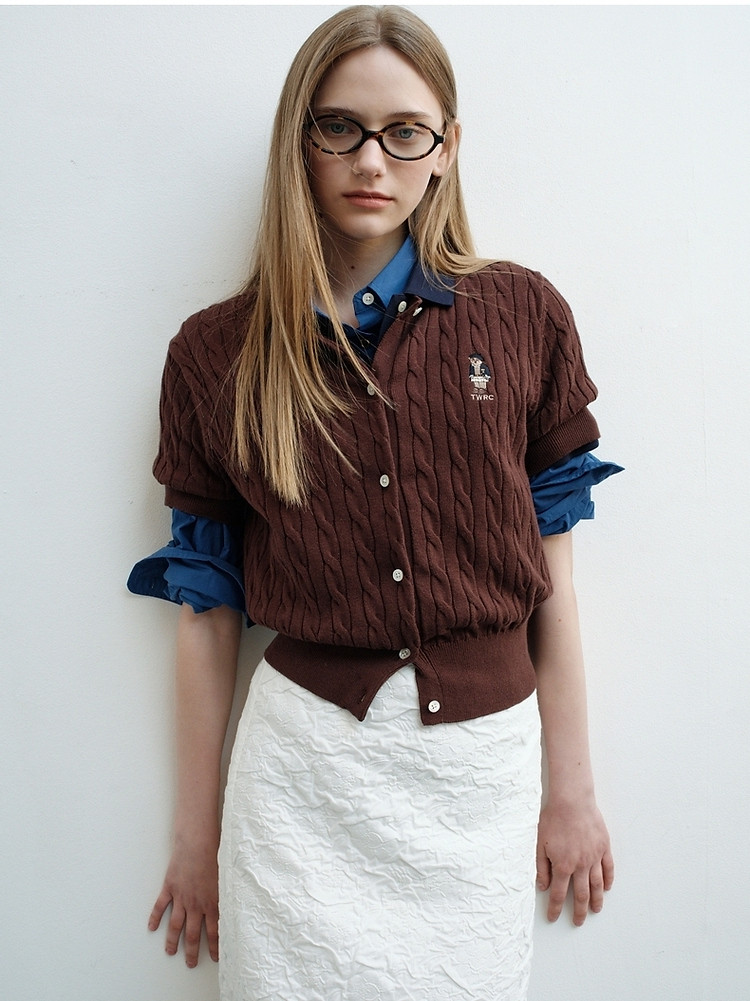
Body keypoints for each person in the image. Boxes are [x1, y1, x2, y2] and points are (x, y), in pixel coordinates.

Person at [128, 6, 620, 1000]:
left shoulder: (521, 316)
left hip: (478, 777)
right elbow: (206, 615)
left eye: (405, 132)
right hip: (301, 783)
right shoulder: (217, 353)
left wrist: (572, 791)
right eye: (340, 126)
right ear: (299, 138)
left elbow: (554, 579)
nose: (371, 160)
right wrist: (196, 839)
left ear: (446, 148)